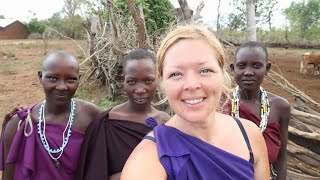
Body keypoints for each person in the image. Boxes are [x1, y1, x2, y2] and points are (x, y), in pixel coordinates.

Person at [121, 26, 270, 179]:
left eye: (205, 70)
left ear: (222, 73)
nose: (191, 85)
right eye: (176, 74)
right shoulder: (147, 160)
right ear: (162, 82)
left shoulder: (250, 135)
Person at [0, 51, 100, 180]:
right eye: (53, 78)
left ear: (79, 79)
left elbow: (100, 164)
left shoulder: (90, 115)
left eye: (71, 79)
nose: (62, 86)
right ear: (40, 76)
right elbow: (8, 175)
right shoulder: (21, 124)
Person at [76, 49, 170, 180]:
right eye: (132, 81)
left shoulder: (166, 122)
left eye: (148, 81)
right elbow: (94, 172)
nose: (140, 89)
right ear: (123, 81)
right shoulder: (106, 121)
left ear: (158, 79)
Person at [229, 41, 290, 180]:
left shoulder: (280, 107)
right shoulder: (221, 103)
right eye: (241, 65)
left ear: (267, 68)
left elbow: (281, 157)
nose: (248, 72)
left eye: (257, 66)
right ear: (233, 69)